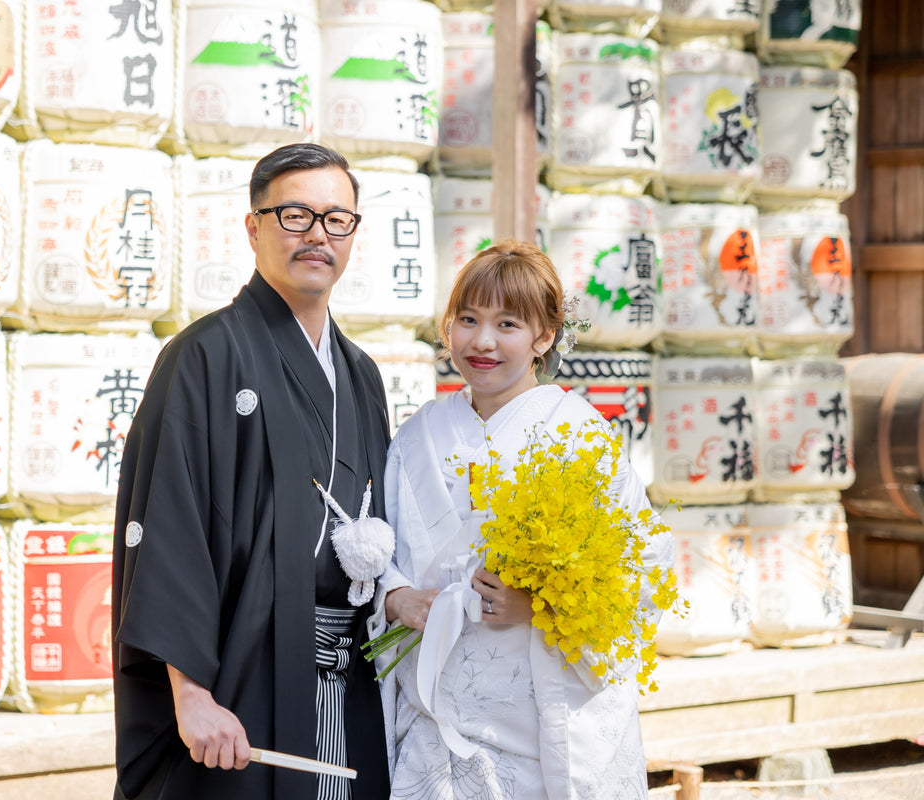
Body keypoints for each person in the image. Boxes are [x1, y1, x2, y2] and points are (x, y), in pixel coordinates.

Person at [111, 142, 393, 800]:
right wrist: (192, 696)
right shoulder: (206, 356)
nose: (317, 234)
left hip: (348, 674)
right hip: (245, 671)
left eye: (336, 219)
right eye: (295, 215)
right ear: (254, 226)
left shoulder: (361, 375)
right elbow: (172, 528)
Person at [372, 240, 674, 799]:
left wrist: (541, 608)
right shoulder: (418, 435)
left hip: (540, 727)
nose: (482, 342)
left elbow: (642, 569)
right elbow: (381, 552)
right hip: (433, 718)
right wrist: (393, 597)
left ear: (544, 337)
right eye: (467, 319)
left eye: (507, 323)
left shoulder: (579, 435)